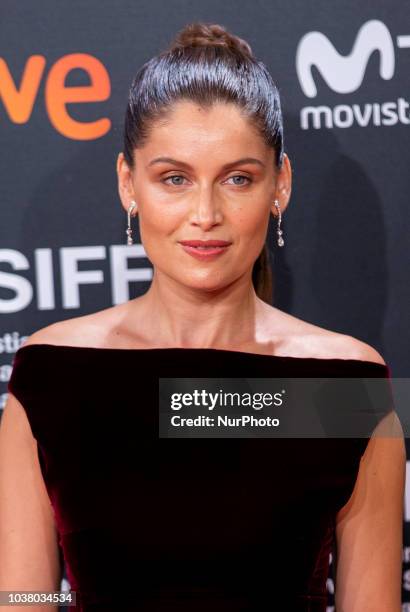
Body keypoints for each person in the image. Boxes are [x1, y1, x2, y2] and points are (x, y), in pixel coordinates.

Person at [0, 21, 405, 612]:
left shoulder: (347, 385)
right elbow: (24, 595)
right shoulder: (52, 375)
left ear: (281, 185)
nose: (205, 214)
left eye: (238, 179)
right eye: (174, 179)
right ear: (127, 184)